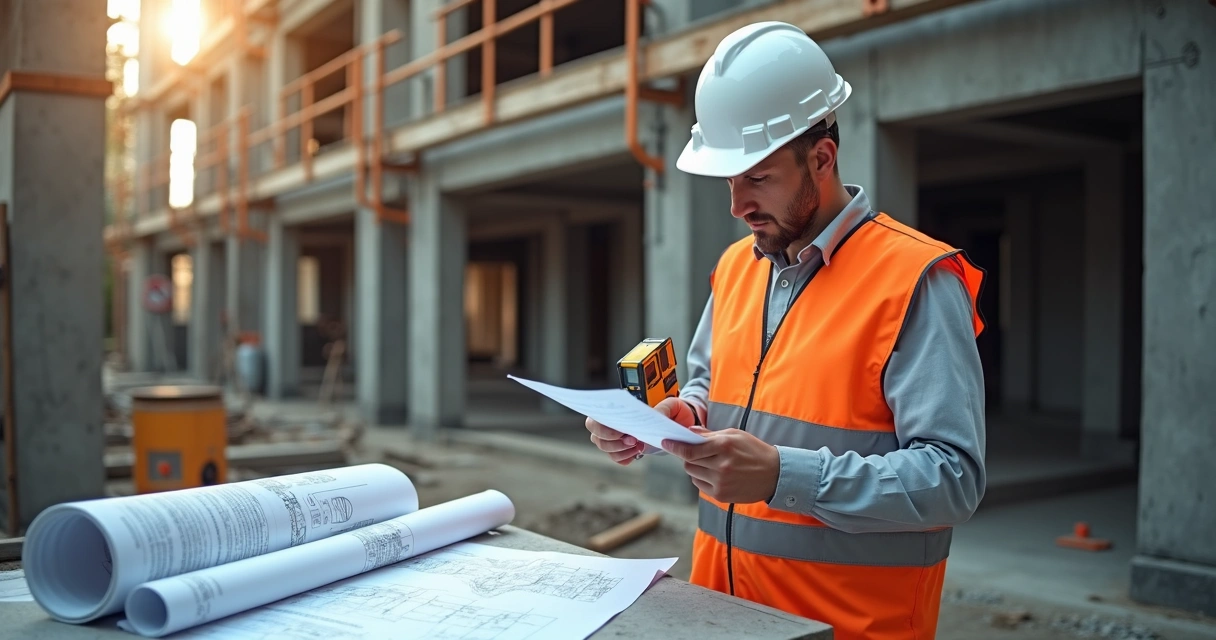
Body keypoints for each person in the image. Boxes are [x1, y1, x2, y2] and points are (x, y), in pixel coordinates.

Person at [585, 21, 987, 640]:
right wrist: (679, 419)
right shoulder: (736, 267)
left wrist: (781, 477)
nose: (737, 205)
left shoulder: (917, 280)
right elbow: (710, 388)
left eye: (758, 178)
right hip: (722, 617)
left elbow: (952, 479)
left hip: (849, 626)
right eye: (730, 181)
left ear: (821, 159)